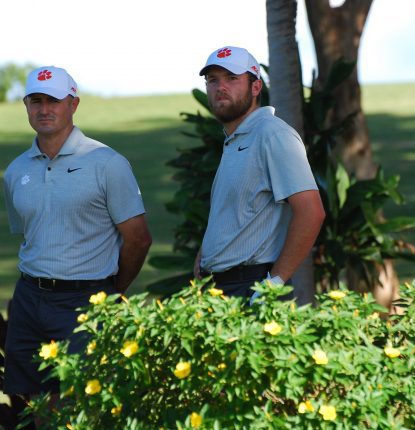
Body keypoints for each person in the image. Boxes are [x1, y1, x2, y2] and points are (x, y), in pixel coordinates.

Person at [3, 66, 152, 398]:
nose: (44, 109)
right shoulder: (16, 171)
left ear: (73, 104)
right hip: (29, 299)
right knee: (29, 401)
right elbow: (30, 236)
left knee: (85, 399)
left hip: (84, 301)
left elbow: (139, 238)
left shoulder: (107, 163)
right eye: (36, 101)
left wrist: (111, 290)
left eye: (53, 101)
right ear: (26, 106)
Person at [193, 46, 325, 302]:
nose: (221, 87)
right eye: (213, 80)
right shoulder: (237, 139)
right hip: (222, 289)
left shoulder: (273, 135)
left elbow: (311, 212)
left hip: (252, 287)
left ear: (256, 87)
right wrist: (205, 254)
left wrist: (273, 284)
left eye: (232, 78)